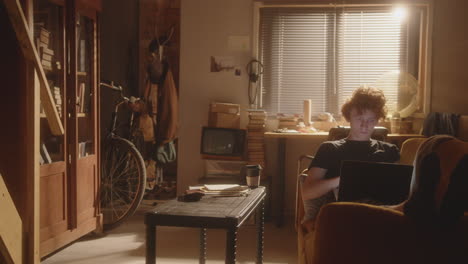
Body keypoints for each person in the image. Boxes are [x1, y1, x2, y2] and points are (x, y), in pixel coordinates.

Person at [301, 85, 400, 225]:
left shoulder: (390, 150)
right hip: (346, 214)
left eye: (371, 120)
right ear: (349, 118)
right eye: (360, 119)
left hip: (382, 213)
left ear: (377, 120)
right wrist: (344, 179)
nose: (365, 125)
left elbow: (398, 191)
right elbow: (308, 192)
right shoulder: (330, 149)